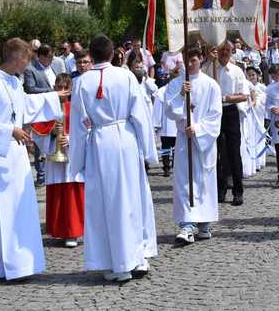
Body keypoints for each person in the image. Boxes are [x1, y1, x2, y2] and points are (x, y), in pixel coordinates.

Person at [0, 38, 69, 280]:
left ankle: (21, 263)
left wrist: (55, 97)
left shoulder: (14, 82)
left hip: (15, 156)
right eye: (27, 59)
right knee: (0, 211)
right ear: (17, 58)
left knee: (19, 210)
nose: (29, 64)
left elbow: (25, 105)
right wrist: (9, 131)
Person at [69, 34, 158, 282]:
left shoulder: (81, 82)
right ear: (112, 54)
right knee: (132, 196)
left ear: (92, 53)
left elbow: (77, 126)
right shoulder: (126, 75)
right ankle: (137, 258)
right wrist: (149, 151)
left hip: (99, 143)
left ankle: (121, 262)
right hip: (126, 140)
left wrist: (76, 162)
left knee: (107, 203)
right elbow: (140, 114)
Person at [165, 47, 222, 244]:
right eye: (186, 60)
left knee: (204, 181)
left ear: (201, 59)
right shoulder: (175, 84)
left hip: (203, 141)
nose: (190, 64)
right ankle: (186, 225)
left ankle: (204, 223)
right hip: (183, 141)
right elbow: (169, 111)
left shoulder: (212, 85)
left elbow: (215, 115)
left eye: (194, 60)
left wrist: (197, 128)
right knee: (184, 182)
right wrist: (181, 95)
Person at [31, 74, 84, 248]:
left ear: (70, 89)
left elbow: (86, 129)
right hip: (54, 155)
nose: (61, 91)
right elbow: (38, 133)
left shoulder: (77, 107)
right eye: (58, 87)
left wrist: (70, 139)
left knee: (72, 192)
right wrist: (51, 133)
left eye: (64, 87)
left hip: (72, 155)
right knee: (57, 193)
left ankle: (73, 231)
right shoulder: (47, 108)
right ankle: (59, 230)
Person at [202, 41, 248, 205]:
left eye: (228, 50)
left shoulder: (236, 71)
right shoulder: (207, 68)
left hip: (230, 111)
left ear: (232, 52)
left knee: (234, 152)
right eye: (222, 50)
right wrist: (208, 61)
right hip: (213, 113)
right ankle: (220, 190)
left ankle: (238, 190)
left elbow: (244, 95)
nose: (224, 53)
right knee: (216, 152)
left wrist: (226, 97)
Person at [24, 44, 64, 186]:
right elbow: (30, 88)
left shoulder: (53, 67)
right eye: (49, 57)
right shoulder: (30, 69)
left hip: (56, 107)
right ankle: (41, 173)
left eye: (53, 56)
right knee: (40, 142)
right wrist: (52, 92)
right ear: (40, 56)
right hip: (41, 111)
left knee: (55, 138)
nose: (52, 59)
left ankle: (54, 166)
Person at [153, 67, 180, 177]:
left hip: (177, 124)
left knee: (174, 148)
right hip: (166, 124)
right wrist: (157, 123)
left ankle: (173, 166)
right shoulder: (162, 92)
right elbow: (158, 108)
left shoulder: (181, 91)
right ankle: (166, 167)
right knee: (166, 147)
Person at [244, 66, 267, 175]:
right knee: (250, 137)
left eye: (253, 75)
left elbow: (266, 100)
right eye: (249, 75)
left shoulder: (262, 87)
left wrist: (259, 101)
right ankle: (252, 162)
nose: (252, 77)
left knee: (259, 135)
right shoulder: (246, 86)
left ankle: (260, 160)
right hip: (250, 115)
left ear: (257, 75)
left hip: (259, 114)